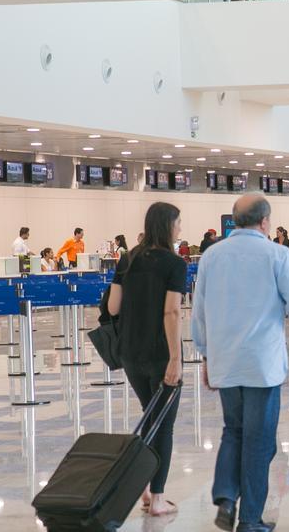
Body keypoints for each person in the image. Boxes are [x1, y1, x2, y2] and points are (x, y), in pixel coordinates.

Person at [192, 194, 289, 532]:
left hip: (224, 361)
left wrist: (205, 354)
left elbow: (199, 311)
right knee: (260, 440)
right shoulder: (277, 254)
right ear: (265, 222)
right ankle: (249, 520)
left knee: (234, 430)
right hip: (262, 363)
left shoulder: (211, 256)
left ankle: (227, 496)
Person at [107, 202, 187, 517]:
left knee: (150, 418)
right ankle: (156, 498)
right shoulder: (174, 264)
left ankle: (142, 486)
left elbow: (113, 307)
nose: (181, 228)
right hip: (160, 353)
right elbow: (172, 311)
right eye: (178, 223)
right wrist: (176, 358)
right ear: (168, 226)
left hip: (130, 352)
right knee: (163, 425)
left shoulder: (127, 259)